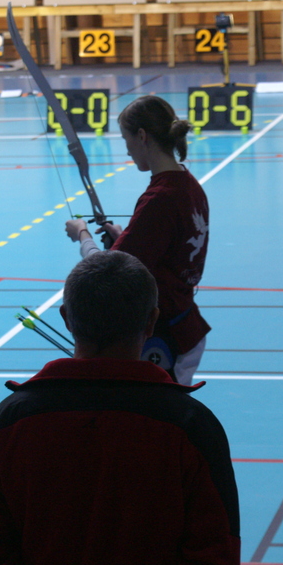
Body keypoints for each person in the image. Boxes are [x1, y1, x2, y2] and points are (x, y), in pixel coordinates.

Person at [0, 250, 240, 565]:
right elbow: (214, 562)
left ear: (66, 318)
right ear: (152, 321)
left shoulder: (12, 422)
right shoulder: (191, 426)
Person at [65, 95, 210, 385]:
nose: (127, 150)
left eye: (126, 139)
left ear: (142, 136)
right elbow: (168, 247)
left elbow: (107, 272)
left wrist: (81, 234)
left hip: (166, 336)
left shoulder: (160, 198)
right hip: (184, 323)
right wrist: (124, 238)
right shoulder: (186, 183)